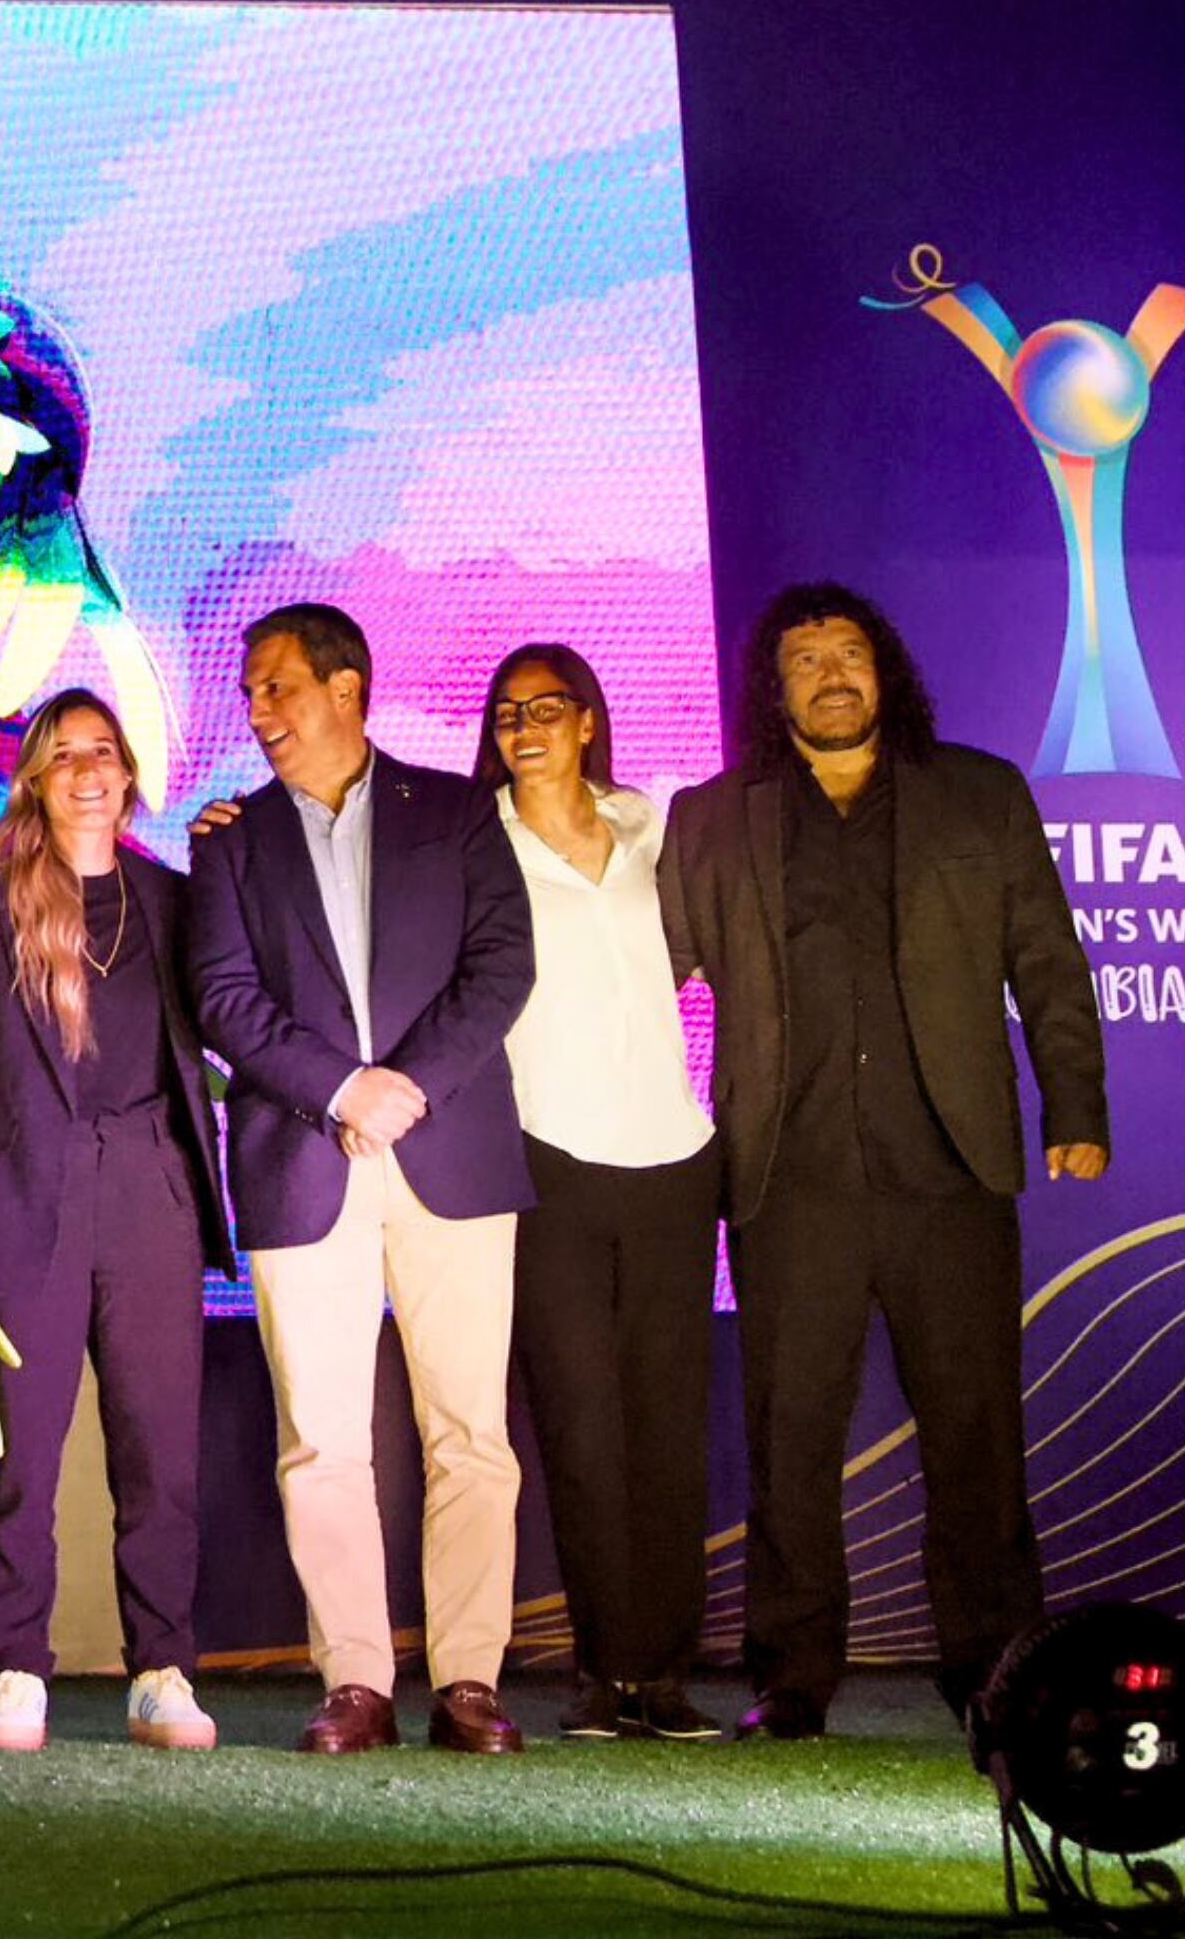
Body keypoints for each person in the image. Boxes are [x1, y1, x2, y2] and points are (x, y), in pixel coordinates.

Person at [660, 583, 1107, 1739]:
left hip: (948, 1173)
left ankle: (997, 1669)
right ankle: (792, 1677)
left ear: (886, 667)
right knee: (789, 1441)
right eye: (803, 659)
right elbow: (635, 964)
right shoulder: (713, 819)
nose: (830, 673)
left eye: (849, 651)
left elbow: (1047, 961)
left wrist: (1076, 1103)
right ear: (775, 689)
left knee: (975, 1438)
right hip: (784, 1179)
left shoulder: (978, 796)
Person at [186, 603, 536, 1755]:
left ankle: (471, 1679)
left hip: (450, 1151)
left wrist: (406, 1087)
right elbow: (225, 1000)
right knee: (322, 1437)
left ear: (346, 689)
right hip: (304, 1156)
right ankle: (355, 1679)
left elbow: (501, 966)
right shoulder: (229, 840)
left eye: (277, 687)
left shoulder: (450, 809)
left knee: (467, 1432)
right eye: (249, 694)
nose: (258, 712)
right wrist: (343, 1092)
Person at [0, 688, 235, 1754]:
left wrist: (245, 842)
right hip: (19, 1191)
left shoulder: (174, 899)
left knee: (157, 1446)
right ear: (35, 780)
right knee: (24, 1448)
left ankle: (162, 1667)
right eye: (62, 755)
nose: (86, 770)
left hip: (149, 1188)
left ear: (130, 773)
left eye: (102, 751)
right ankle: (14, 1669)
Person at [473, 644, 723, 1742]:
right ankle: (605, 1669)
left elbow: (687, 958)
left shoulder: (649, 828)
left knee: (666, 1422)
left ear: (586, 720)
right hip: (548, 1159)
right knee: (579, 1424)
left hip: (673, 1157)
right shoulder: (478, 842)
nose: (522, 727)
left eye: (545, 707)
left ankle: (665, 1672)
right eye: (505, 712)